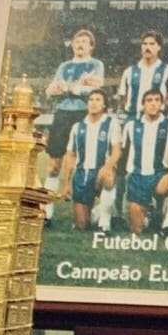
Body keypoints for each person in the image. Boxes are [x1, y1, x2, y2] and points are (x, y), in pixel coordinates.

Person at [44, 29, 105, 222]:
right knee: (54, 165)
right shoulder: (64, 66)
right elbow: (50, 90)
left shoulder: (96, 65)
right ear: (72, 45)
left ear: (91, 46)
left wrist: (68, 88)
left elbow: (95, 89)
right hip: (62, 114)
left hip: (84, 114)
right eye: (77, 41)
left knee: (89, 163)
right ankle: (46, 212)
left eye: (85, 41)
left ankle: (95, 211)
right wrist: (76, 87)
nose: (80, 44)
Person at [121, 89, 168, 235]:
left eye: (157, 100)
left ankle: (167, 225)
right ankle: (151, 213)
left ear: (161, 104)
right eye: (149, 100)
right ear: (143, 105)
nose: (153, 104)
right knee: (137, 230)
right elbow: (123, 151)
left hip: (159, 176)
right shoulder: (131, 125)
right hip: (137, 177)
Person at [59, 89, 122, 232]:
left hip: (101, 171)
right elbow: (70, 156)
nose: (93, 103)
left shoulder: (111, 123)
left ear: (104, 105)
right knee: (82, 225)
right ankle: (101, 211)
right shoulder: (77, 127)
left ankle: (104, 224)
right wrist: (66, 184)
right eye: (91, 100)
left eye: (98, 100)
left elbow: (117, 150)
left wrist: (108, 166)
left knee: (108, 177)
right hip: (82, 175)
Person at [118, 30, 168, 120]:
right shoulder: (129, 71)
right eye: (144, 44)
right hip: (134, 119)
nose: (147, 47)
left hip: (157, 119)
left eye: (152, 44)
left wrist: (160, 112)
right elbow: (122, 96)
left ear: (159, 47)